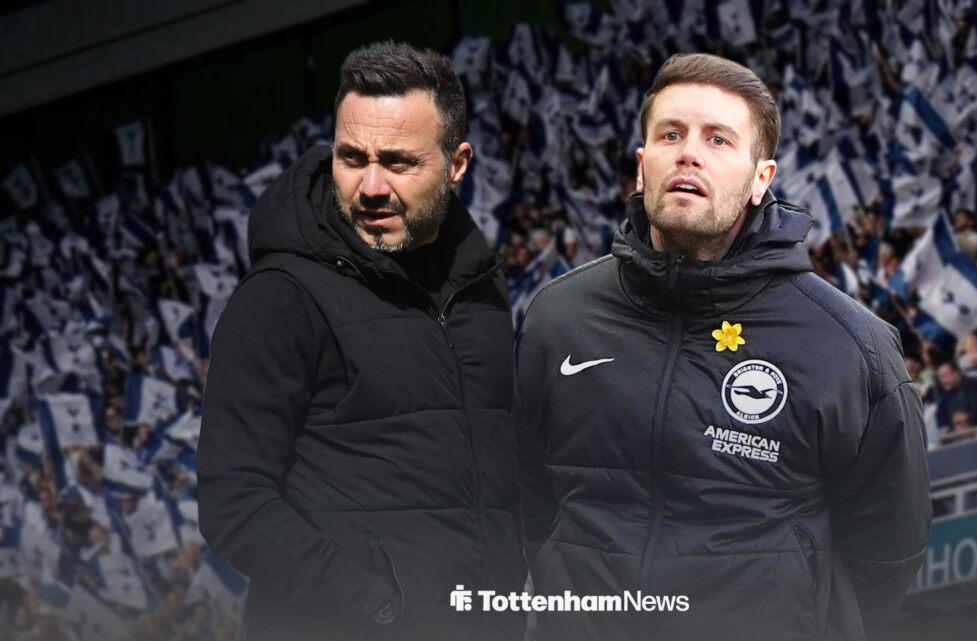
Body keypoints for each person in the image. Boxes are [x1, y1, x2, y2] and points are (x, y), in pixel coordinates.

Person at [514, 53, 931, 641]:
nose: (689, 152)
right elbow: (532, 501)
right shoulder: (558, 317)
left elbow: (888, 550)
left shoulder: (851, 348)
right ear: (642, 167)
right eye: (671, 134)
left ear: (761, 178)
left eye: (718, 139)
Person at [197, 41, 525, 641]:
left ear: (457, 164)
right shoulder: (279, 298)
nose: (370, 186)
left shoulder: (481, 290)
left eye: (398, 162)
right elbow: (233, 503)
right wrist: (378, 608)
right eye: (353, 158)